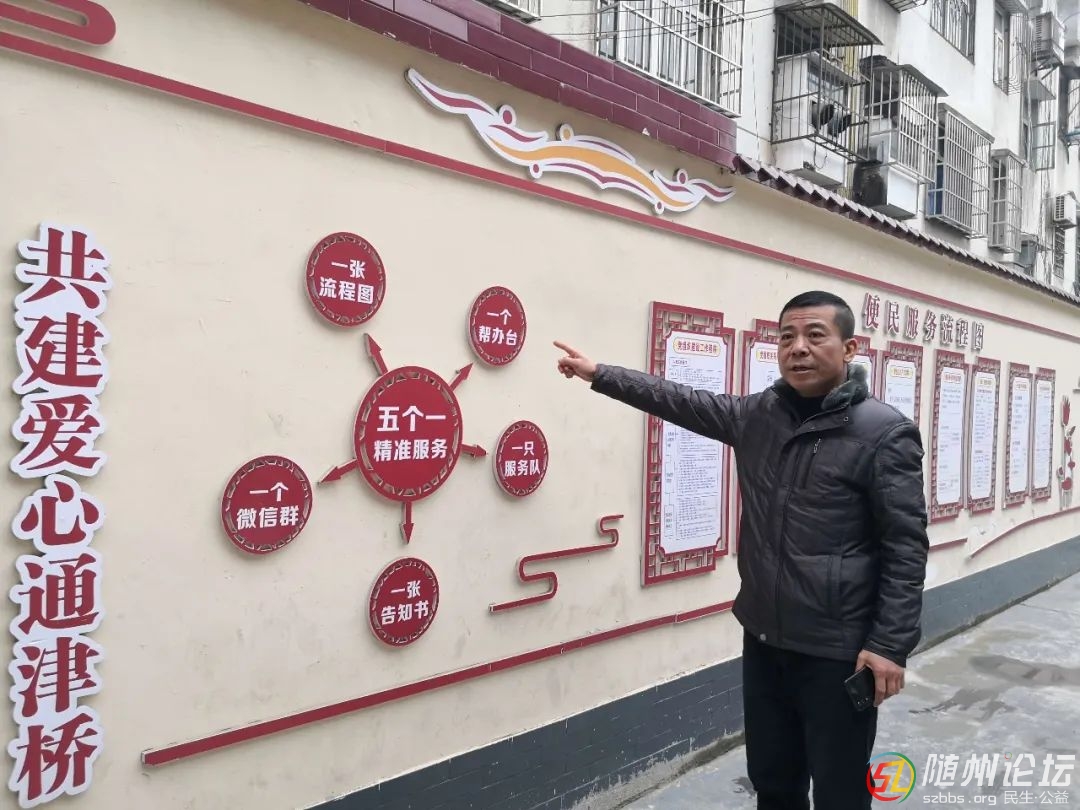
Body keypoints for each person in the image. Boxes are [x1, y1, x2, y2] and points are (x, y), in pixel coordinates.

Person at [554, 290, 929, 810]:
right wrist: (600, 374)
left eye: (815, 335)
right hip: (765, 637)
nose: (798, 348)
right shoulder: (758, 416)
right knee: (773, 783)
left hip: (838, 652)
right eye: (787, 337)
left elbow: (905, 547)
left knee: (840, 791)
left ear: (849, 348)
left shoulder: (884, 433)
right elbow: (679, 399)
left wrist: (889, 644)